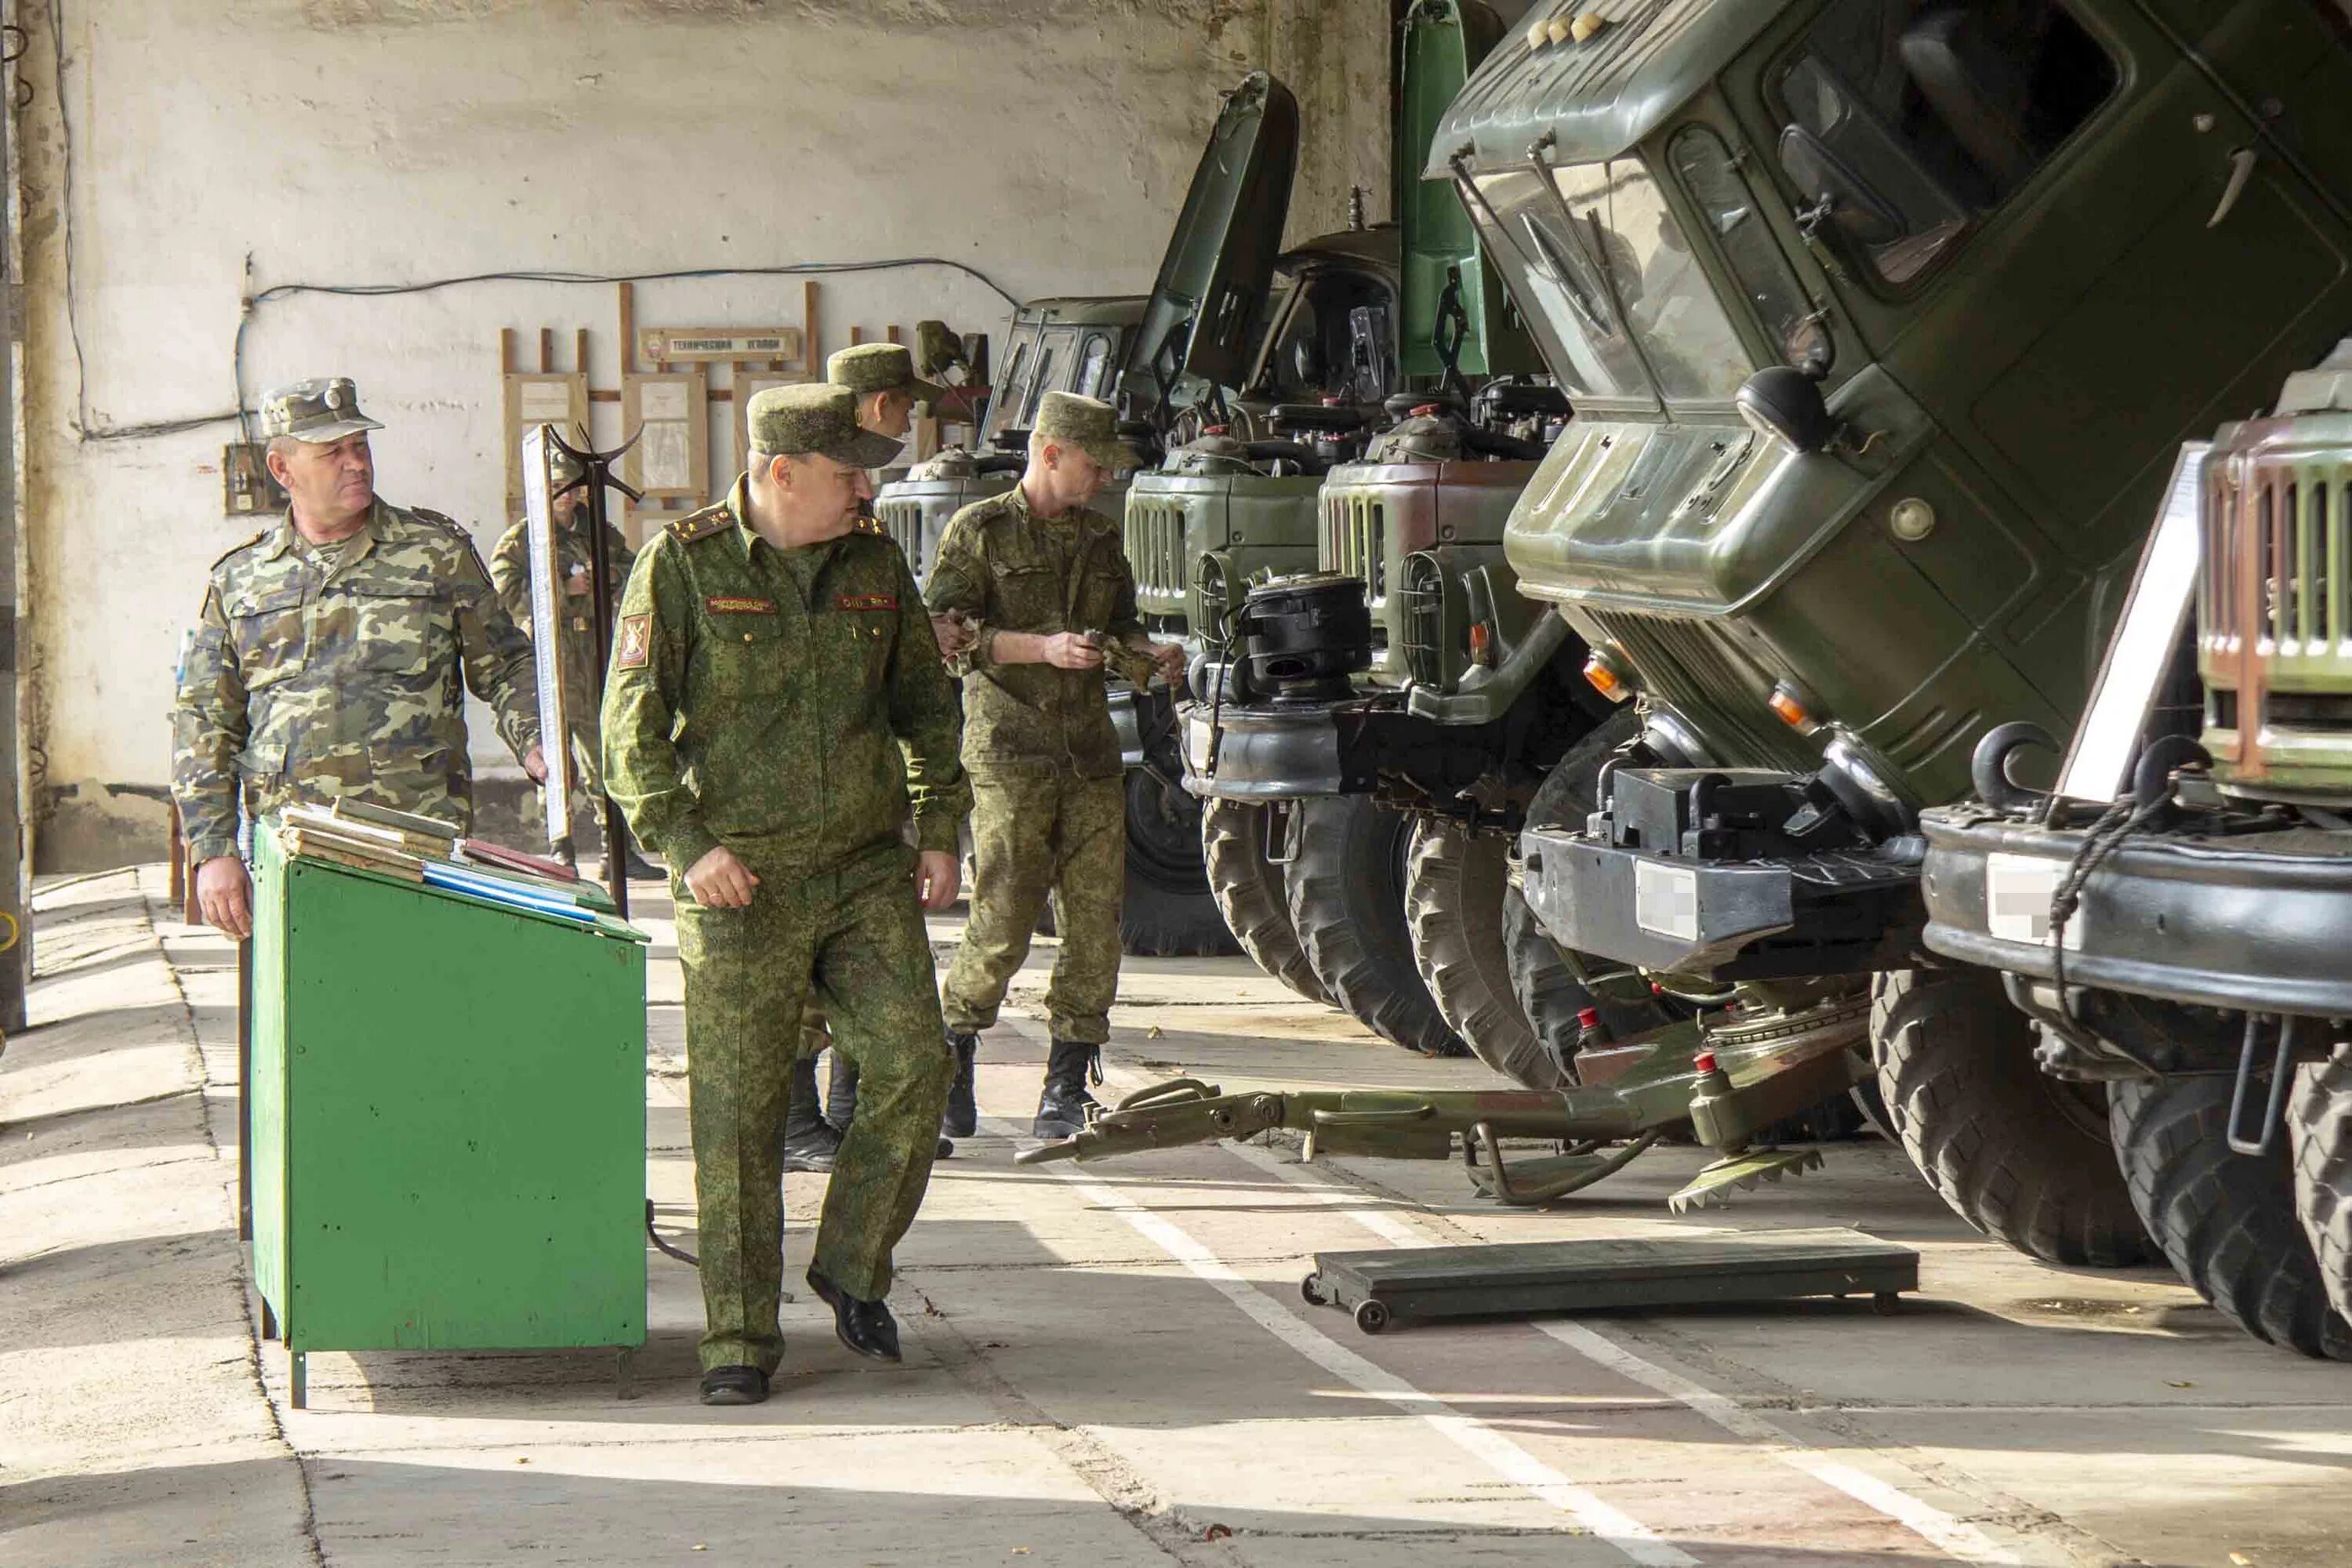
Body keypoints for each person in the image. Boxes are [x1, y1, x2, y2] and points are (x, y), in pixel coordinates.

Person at [602, 383, 969, 1406]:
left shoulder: (875, 563)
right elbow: (627, 737)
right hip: (740, 884)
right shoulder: (682, 564)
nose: (867, 488)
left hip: (861, 872)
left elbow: (925, 713)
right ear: (781, 474)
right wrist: (686, 844)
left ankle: (851, 1264)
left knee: (912, 1063)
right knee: (739, 1114)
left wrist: (938, 825)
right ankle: (738, 1339)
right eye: (850, 473)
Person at [174, 377, 546, 938]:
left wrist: (536, 739)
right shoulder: (240, 579)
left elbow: (509, 664)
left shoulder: (435, 554)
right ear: (283, 470)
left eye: (360, 447)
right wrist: (212, 848)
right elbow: (206, 720)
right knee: (305, 1016)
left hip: (418, 842)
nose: (355, 464)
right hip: (291, 846)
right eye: (332, 453)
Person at [924, 391, 1180, 1138]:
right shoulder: (980, 530)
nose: (1102, 479)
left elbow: (1121, 628)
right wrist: (1043, 648)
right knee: (1001, 923)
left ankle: (1065, 1088)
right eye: (1094, 466)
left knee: (1096, 928)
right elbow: (948, 637)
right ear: (1051, 453)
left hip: (1091, 758)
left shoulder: (1102, 541)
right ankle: (952, 1062)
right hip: (1011, 758)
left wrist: (1150, 659)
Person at [793, 343, 975, 1169]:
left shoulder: (862, 529)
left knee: (877, 950)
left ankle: (849, 1101)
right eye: (902, 407)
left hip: (874, 781)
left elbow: (912, 691)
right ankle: (809, 1117)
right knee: (808, 963)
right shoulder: (812, 504)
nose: (908, 424)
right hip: (798, 796)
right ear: (870, 406)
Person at [488, 443, 653, 882]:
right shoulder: (523, 539)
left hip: (594, 654)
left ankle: (616, 848)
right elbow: (505, 594)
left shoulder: (598, 532)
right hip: (551, 658)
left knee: (606, 754)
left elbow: (634, 571)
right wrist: (566, 588)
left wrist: (604, 579)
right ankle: (560, 848)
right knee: (556, 756)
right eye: (557, 487)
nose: (566, 495)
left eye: (571, 488)